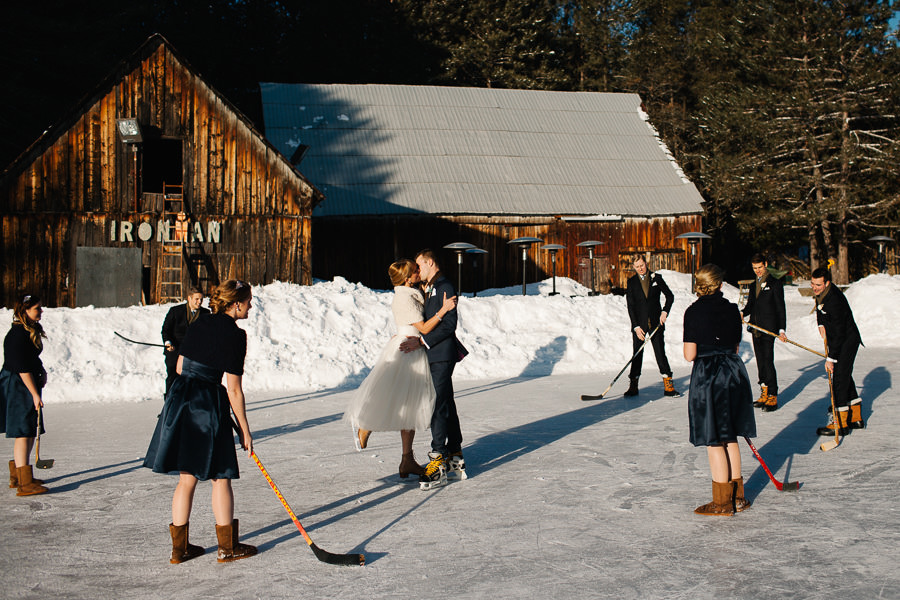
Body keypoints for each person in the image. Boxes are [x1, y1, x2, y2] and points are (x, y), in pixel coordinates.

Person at [143, 280, 257, 564]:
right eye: (248, 301)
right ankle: (227, 547)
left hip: (180, 400)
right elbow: (233, 389)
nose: (251, 306)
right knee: (220, 476)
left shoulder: (199, 324)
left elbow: (180, 367)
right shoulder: (236, 336)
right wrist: (244, 429)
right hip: (206, 406)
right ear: (236, 304)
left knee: (186, 478)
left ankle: (179, 550)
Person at [343, 260, 456, 479]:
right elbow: (422, 327)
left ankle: (407, 460)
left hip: (413, 347)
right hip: (408, 349)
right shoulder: (404, 297)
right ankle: (365, 425)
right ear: (407, 278)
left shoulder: (410, 293)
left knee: (410, 407)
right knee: (395, 397)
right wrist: (443, 310)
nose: (418, 272)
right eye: (415, 271)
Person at [683, 264, 756, 516]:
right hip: (733, 374)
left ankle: (722, 502)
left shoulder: (692, 312)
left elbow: (689, 354)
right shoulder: (733, 309)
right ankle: (738, 498)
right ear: (719, 285)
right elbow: (735, 348)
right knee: (730, 435)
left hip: (708, 376)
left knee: (714, 439)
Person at [400, 249, 468, 490]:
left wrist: (421, 342)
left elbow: (449, 324)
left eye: (420, 266)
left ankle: (438, 457)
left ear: (430, 263)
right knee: (446, 402)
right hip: (434, 355)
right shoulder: (431, 287)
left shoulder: (444, 285)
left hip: (440, 354)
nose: (418, 271)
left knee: (437, 405)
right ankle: (455, 455)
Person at [1, 294, 49, 496]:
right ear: (25, 311)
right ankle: (24, 484)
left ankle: (18, 476)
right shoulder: (17, 335)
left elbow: (31, 358)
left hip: (26, 385)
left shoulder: (27, 331)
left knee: (29, 429)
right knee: (23, 432)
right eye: (37, 308)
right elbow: (21, 368)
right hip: (18, 386)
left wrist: (42, 371)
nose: (41, 311)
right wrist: (34, 394)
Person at [810, 267, 864, 436]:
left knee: (839, 380)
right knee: (844, 374)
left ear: (827, 283)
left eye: (818, 285)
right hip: (840, 339)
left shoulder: (835, 300)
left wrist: (831, 358)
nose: (815, 287)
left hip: (847, 341)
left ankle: (839, 423)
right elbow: (819, 307)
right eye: (812, 283)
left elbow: (840, 333)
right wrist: (821, 324)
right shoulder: (823, 293)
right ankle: (855, 418)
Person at [624, 254, 680, 398]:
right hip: (640, 326)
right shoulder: (631, 282)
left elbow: (670, 296)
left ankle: (668, 386)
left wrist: (665, 311)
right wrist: (636, 326)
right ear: (633, 267)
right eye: (637, 267)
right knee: (637, 354)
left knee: (660, 353)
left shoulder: (657, 278)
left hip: (656, 324)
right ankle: (633, 385)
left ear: (646, 263)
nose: (640, 269)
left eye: (642, 265)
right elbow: (631, 306)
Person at [741, 254, 787, 412]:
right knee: (760, 361)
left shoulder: (775, 283)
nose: (758, 271)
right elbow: (749, 305)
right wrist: (742, 312)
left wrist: (781, 329)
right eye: (755, 268)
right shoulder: (754, 284)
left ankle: (773, 394)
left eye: (760, 267)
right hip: (756, 328)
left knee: (768, 360)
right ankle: (764, 390)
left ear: (766, 264)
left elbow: (780, 308)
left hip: (769, 329)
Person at [161, 287, 209, 398]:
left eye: (201, 299)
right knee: (173, 379)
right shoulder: (175, 311)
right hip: (175, 352)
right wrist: (168, 343)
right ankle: (168, 407)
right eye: (197, 299)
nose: (199, 302)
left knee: (193, 381)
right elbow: (166, 330)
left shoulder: (206, 314)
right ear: (189, 298)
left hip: (195, 355)